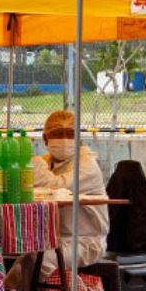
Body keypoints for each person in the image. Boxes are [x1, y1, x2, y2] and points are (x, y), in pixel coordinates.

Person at [32, 109, 108, 269]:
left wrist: (33, 166)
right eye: (58, 134)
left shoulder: (87, 165)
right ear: (46, 139)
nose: (65, 140)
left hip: (84, 242)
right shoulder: (47, 162)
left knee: (40, 260)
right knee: (16, 262)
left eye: (70, 134)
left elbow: (56, 187)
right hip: (51, 240)